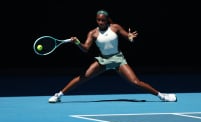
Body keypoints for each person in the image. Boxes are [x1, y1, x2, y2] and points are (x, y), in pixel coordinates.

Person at [48, 9, 177, 103]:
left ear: (107, 20)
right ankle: (58, 95)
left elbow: (128, 36)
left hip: (117, 59)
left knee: (135, 82)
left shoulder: (115, 27)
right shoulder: (93, 33)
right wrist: (77, 43)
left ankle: (162, 96)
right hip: (103, 60)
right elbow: (86, 49)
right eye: (98, 20)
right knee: (83, 77)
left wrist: (131, 37)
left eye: (103, 20)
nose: (100, 22)